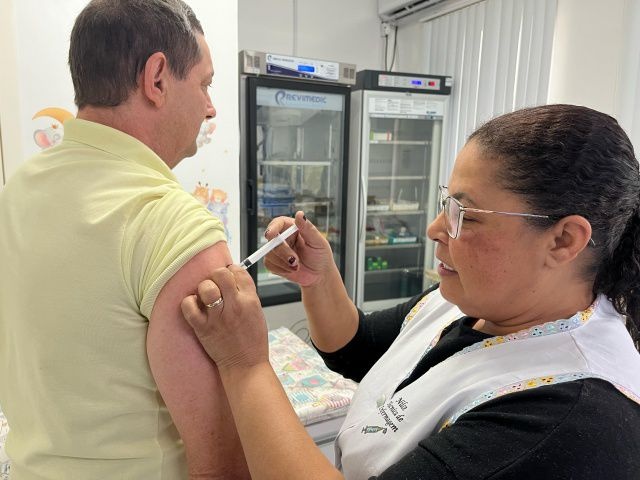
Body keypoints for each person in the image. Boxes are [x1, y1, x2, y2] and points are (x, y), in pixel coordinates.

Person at [182, 104, 640, 479]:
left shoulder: (568, 419)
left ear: (563, 240)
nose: (435, 228)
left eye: (465, 215)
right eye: (447, 202)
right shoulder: (468, 302)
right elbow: (356, 347)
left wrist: (244, 364)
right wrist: (317, 278)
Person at [0, 1, 250, 478]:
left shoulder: (18, 191)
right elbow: (221, 459)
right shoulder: (174, 227)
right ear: (156, 79)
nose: (211, 106)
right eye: (204, 83)